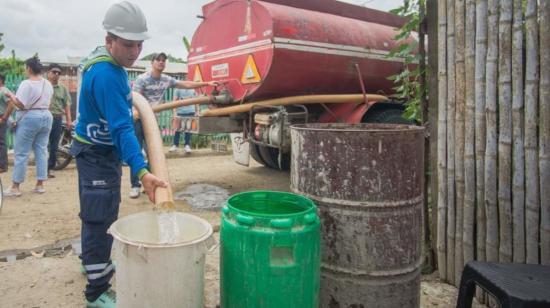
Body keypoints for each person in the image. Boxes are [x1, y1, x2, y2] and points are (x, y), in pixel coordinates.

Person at [70, 2, 167, 306]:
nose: (134, 52)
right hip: (97, 154)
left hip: (92, 150)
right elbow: (123, 130)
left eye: (139, 44)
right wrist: (141, 171)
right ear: (109, 39)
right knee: (101, 216)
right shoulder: (109, 75)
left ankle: (92, 260)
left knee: (95, 213)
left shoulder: (99, 59)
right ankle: (97, 291)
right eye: (127, 44)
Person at [128, 52, 216, 199]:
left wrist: (206, 83)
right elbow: (135, 99)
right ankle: (135, 185)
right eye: (158, 60)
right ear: (152, 63)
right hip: (138, 119)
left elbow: (186, 84)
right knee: (136, 152)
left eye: (164, 61)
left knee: (153, 154)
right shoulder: (142, 79)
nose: (161, 63)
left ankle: (149, 183)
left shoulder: (166, 79)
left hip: (152, 121)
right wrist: (136, 113)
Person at [3, 57, 53, 197]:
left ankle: (15, 187)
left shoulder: (27, 84)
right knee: (42, 150)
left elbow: (20, 104)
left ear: (29, 68)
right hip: (46, 116)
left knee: (22, 152)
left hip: (30, 117)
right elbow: (49, 101)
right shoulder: (47, 84)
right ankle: (40, 185)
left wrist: (10, 94)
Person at [46, 63, 72, 178]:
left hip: (56, 118)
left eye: (58, 73)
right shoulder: (44, 86)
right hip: (44, 117)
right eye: (54, 72)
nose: (56, 74)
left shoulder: (63, 89)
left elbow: (66, 105)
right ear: (48, 73)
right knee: (41, 144)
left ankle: (50, 168)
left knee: (54, 144)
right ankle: (42, 169)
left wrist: (69, 121)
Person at [169, 88, 196, 153]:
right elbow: (174, 101)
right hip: (180, 112)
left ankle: (187, 145)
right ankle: (175, 145)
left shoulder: (192, 89)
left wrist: (197, 111)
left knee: (188, 129)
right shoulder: (177, 89)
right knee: (177, 129)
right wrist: (174, 112)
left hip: (190, 111)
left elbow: (196, 101)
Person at [0, 74, 15, 173]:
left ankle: (3, 166)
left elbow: (11, 104)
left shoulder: (3, 91)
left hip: (1, 118)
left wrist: (4, 117)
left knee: (1, 142)